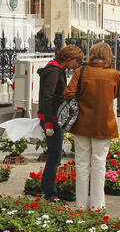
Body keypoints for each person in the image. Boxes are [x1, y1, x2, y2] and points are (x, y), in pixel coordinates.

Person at [61, 41, 120, 211]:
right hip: (104, 124)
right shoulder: (114, 74)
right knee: (99, 163)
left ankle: (80, 204)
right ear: (108, 55)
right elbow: (115, 95)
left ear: (92, 53)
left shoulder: (81, 71)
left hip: (82, 124)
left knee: (80, 163)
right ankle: (97, 205)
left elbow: (68, 93)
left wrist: (84, 96)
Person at [36, 44, 84, 201]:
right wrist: (49, 122)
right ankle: (50, 194)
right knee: (55, 156)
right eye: (76, 61)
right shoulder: (54, 71)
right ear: (69, 58)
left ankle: (47, 188)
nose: (76, 65)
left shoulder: (56, 69)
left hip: (53, 118)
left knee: (54, 155)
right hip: (52, 119)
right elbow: (47, 97)